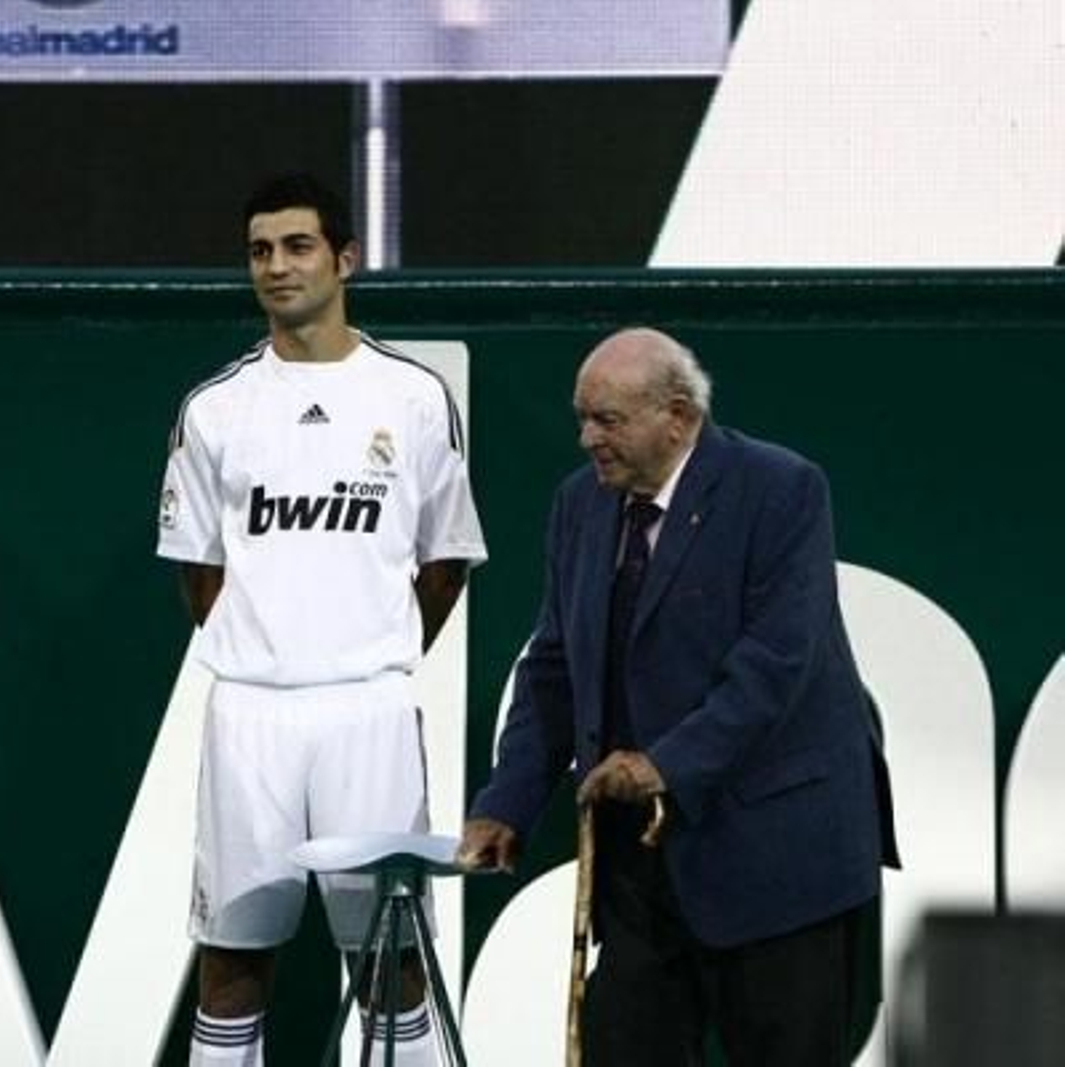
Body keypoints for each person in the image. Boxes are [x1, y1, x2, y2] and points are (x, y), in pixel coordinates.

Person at [458, 327, 897, 1066]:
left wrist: (665, 762)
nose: (586, 438)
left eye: (608, 419)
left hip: (778, 855)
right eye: (582, 417)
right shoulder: (580, 506)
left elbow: (775, 663)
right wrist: (507, 800)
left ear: (679, 416)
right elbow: (555, 668)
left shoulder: (781, 489)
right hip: (644, 865)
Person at [156, 173, 488, 1066]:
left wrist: (366, 649)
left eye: (297, 246)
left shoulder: (413, 398)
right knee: (232, 961)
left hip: (367, 711)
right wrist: (275, 646)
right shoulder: (216, 407)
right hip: (251, 712)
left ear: (345, 259)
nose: (276, 266)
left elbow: (445, 560)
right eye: (260, 250)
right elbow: (201, 572)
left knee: (390, 955)